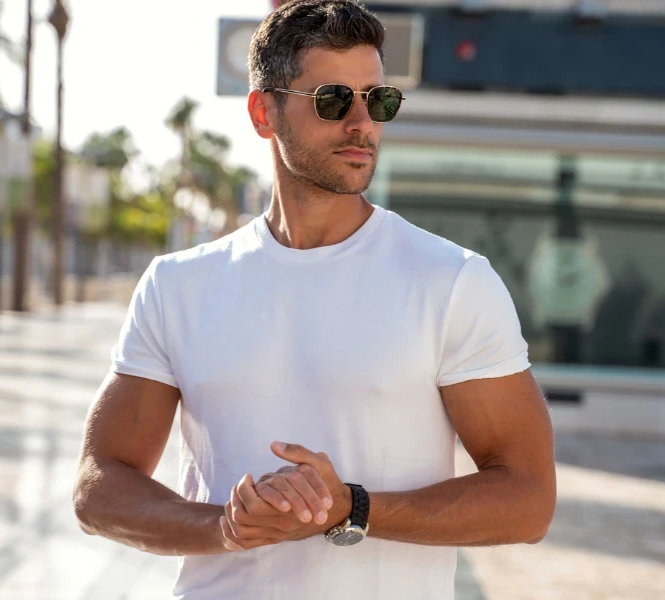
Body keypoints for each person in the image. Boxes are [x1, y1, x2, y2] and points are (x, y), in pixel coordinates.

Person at [73, 1, 556, 598]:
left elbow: (528, 499)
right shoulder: (178, 285)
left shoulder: (451, 280)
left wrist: (354, 508)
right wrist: (225, 527)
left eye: (378, 101)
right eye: (332, 100)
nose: (361, 123)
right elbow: (99, 488)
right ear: (263, 111)